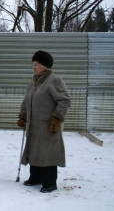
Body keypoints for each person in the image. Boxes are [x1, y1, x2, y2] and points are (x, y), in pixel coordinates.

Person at [17, 50, 70, 193]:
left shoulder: (54, 80)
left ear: (45, 66)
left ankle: (50, 183)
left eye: (37, 64)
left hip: (48, 125)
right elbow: (26, 100)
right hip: (34, 125)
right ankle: (35, 178)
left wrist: (57, 118)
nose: (34, 67)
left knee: (47, 153)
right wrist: (22, 116)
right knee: (34, 150)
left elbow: (64, 100)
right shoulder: (34, 80)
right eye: (33, 64)